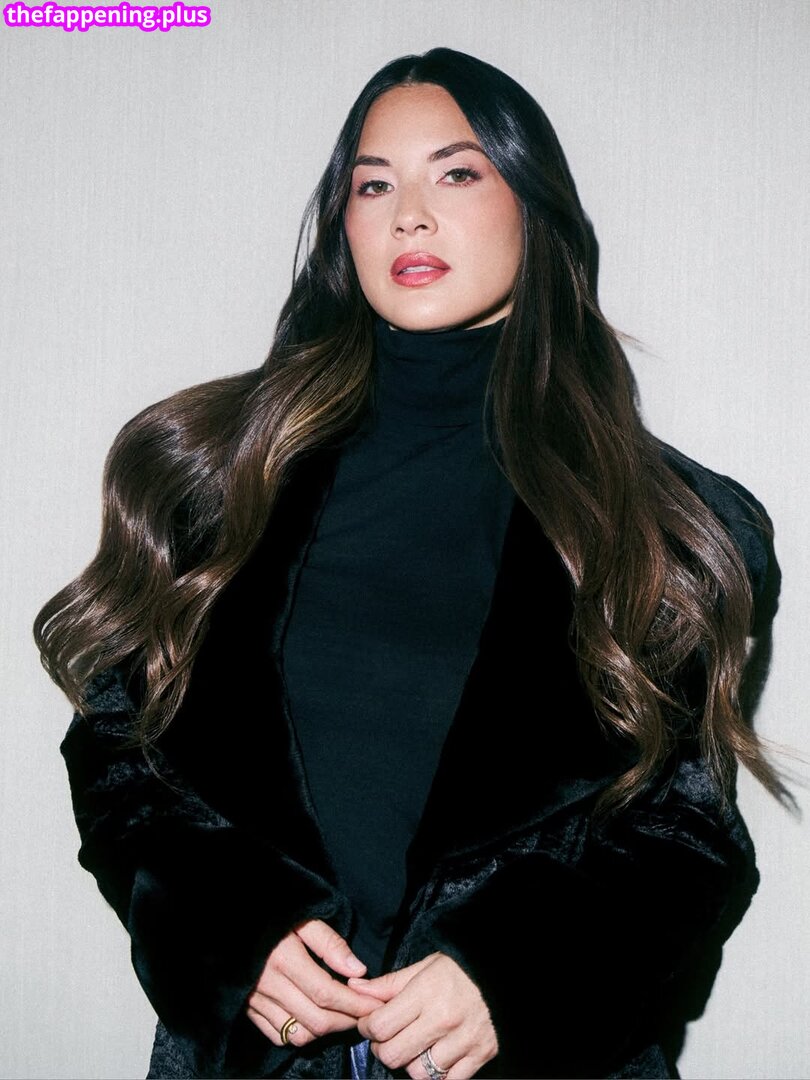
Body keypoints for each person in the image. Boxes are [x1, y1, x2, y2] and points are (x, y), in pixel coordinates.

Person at [33, 47, 786, 1080]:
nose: (410, 218)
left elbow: (690, 840)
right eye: (374, 185)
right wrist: (226, 926)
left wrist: (516, 972)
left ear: (536, 207)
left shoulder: (666, 524)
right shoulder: (213, 477)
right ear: (342, 224)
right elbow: (119, 759)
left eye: (458, 173)